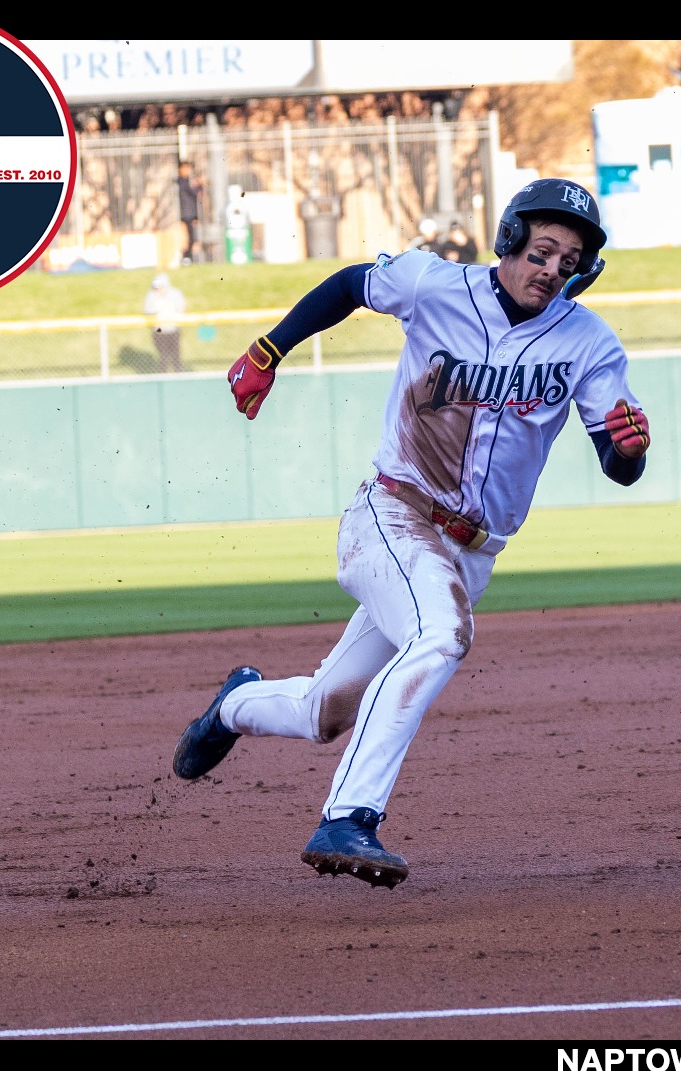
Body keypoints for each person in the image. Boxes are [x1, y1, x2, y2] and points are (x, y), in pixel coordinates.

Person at [171, 178, 651, 888]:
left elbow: (617, 463)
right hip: (394, 514)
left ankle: (233, 706)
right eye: (542, 250)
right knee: (441, 636)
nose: (552, 269)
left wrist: (629, 451)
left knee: (325, 710)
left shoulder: (588, 343)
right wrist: (271, 349)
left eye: (569, 261)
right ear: (510, 239)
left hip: (469, 554)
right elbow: (351, 285)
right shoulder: (435, 285)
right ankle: (348, 816)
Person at [143, 273, 188, 372]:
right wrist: (155, 326)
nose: (158, 289)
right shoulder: (151, 296)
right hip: (159, 330)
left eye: (160, 286)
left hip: (173, 328)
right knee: (163, 355)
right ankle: (163, 373)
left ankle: (178, 372)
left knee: (176, 353)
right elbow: (148, 312)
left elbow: (181, 309)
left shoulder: (175, 294)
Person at [177, 161, 205, 265]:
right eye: (185, 168)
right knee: (190, 237)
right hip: (187, 214)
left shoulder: (185, 181)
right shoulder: (182, 182)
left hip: (190, 214)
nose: (188, 171)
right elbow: (195, 193)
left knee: (192, 237)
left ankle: (189, 257)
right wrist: (199, 185)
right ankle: (187, 257)